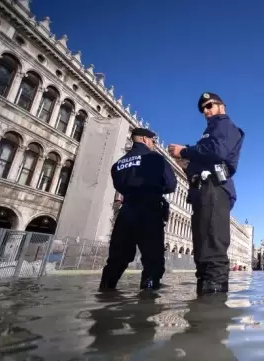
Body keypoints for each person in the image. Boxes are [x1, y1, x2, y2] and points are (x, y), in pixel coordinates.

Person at [168, 91, 245, 295]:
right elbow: (208, 154)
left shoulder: (225, 125)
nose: (206, 111)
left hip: (214, 189)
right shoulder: (209, 132)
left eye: (209, 106)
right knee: (202, 254)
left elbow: (218, 151)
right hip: (203, 192)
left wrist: (185, 151)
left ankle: (213, 313)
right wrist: (187, 163)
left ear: (222, 106)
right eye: (203, 109)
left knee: (212, 251)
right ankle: (201, 311)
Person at [99, 127, 177, 292]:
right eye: (153, 141)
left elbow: (119, 186)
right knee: (152, 261)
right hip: (150, 210)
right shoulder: (155, 158)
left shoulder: (118, 164)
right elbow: (171, 185)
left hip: (126, 212)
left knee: (117, 259)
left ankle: (105, 292)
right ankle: (146, 302)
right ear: (144, 139)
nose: (154, 145)